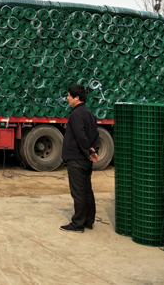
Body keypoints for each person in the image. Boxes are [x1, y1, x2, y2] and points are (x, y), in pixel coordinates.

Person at [60, 84, 100, 233]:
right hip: (85, 159)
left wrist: (88, 152)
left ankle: (77, 224)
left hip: (77, 158)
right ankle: (88, 221)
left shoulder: (76, 114)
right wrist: (93, 150)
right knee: (86, 190)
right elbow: (95, 135)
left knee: (78, 192)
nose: (67, 98)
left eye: (69, 95)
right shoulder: (89, 113)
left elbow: (80, 136)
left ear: (77, 98)